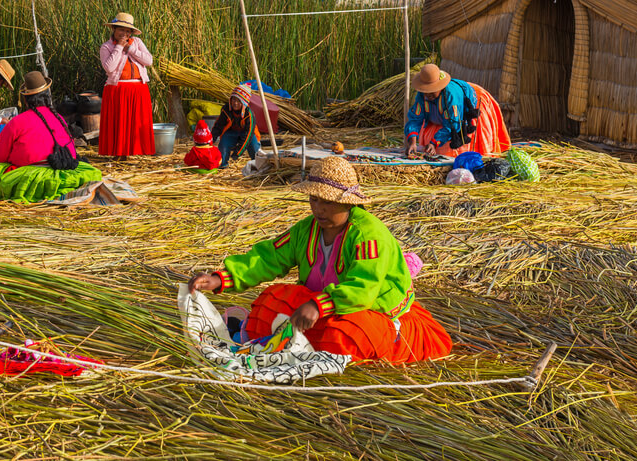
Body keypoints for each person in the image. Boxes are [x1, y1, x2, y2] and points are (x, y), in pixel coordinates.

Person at [188, 157, 452, 364]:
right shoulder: (307, 229)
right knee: (270, 300)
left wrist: (320, 305)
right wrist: (222, 278)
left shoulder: (370, 236)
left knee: (344, 337)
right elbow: (270, 257)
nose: (318, 209)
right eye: (314, 199)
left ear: (348, 203)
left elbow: (364, 288)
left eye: (327, 202)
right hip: (319, 304)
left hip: (367, 310)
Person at [404, 64, 510, 158]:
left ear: (440, 87)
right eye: (426, 91)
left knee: (451, 150)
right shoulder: (422, 96)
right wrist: (413, 142)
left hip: (467, 103)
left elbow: (453, 124)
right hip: (441, 115)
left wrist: (434, 143)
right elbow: (415, 118)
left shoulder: (450, 96)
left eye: (432, 91)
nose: (428, 95)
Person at [99, 13, 155, 158]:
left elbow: (148, 61)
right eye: (121, 30)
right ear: (114, 29)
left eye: (128, 31)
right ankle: (118, 154)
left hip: (138, 88)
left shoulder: (136, 42)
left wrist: (130, 49)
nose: (125, 33)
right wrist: (119, 47)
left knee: (137, 122)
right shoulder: (106, 47)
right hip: (117, 89)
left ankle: (136, 153)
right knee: (119, 123)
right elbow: (109, 68)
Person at [0, 71, 76, 167]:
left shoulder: (17, 122)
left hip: (31, 172)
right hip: (65, 166)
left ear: (25, 100)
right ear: (48, 96)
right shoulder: (59, 118)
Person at [212, 84, 260, 169]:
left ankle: (257, 165)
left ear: (244, 102)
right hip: (232, 133)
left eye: (239, 101)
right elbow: (218, 126)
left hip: (248, 135)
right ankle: (223, 165)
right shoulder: (226, 109)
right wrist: (210, 140)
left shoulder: (249, 114)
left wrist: (238, 152)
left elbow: (248, 135)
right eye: (234, 99)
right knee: (223, 143)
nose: (235, 103)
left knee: (253, 145)